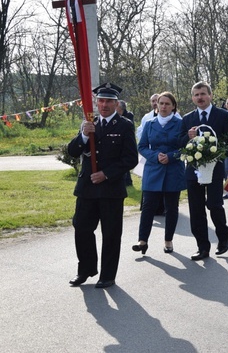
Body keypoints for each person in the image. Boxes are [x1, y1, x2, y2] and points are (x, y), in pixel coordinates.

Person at [67, 83, 138, 288]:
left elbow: (130, 159)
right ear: (96, 103)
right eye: (101, 101)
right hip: (87, 188)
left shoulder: (124, 125)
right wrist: (82, 135)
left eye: (109, 101)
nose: (104, 105)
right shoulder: (89, 123)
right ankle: (86, 269)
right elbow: (72, 151)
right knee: (81, 228)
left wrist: (106, 174)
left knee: (111, 233)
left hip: (111, 189)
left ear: (116, 104)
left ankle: (107, 275)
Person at [180, 81, 228, 261]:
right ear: (192, 98)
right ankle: (202, 247)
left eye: (203, 94)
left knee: (214, 205)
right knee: (196, 210)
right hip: (193, 170)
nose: (200, 98)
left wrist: (218, 155)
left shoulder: (223, 115)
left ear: (210, 95)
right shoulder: (187, 118)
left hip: (214, 168)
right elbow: (179, 144)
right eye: (196, 95)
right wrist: (187, 137)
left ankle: (223, 236)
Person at [133, 92, 186, 255]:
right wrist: (155, 156)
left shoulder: (180, 124)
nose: (163, 106)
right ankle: (142, 241)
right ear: (156, 105)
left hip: (173, 169)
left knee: (171, 207)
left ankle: (168, 240)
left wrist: (170, 156)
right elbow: (141, 146)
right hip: (153, 169)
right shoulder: (149, 124)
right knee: (148, 207)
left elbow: (186, 148)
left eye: (167, 104)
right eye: (160, 103)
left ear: (173, 107)